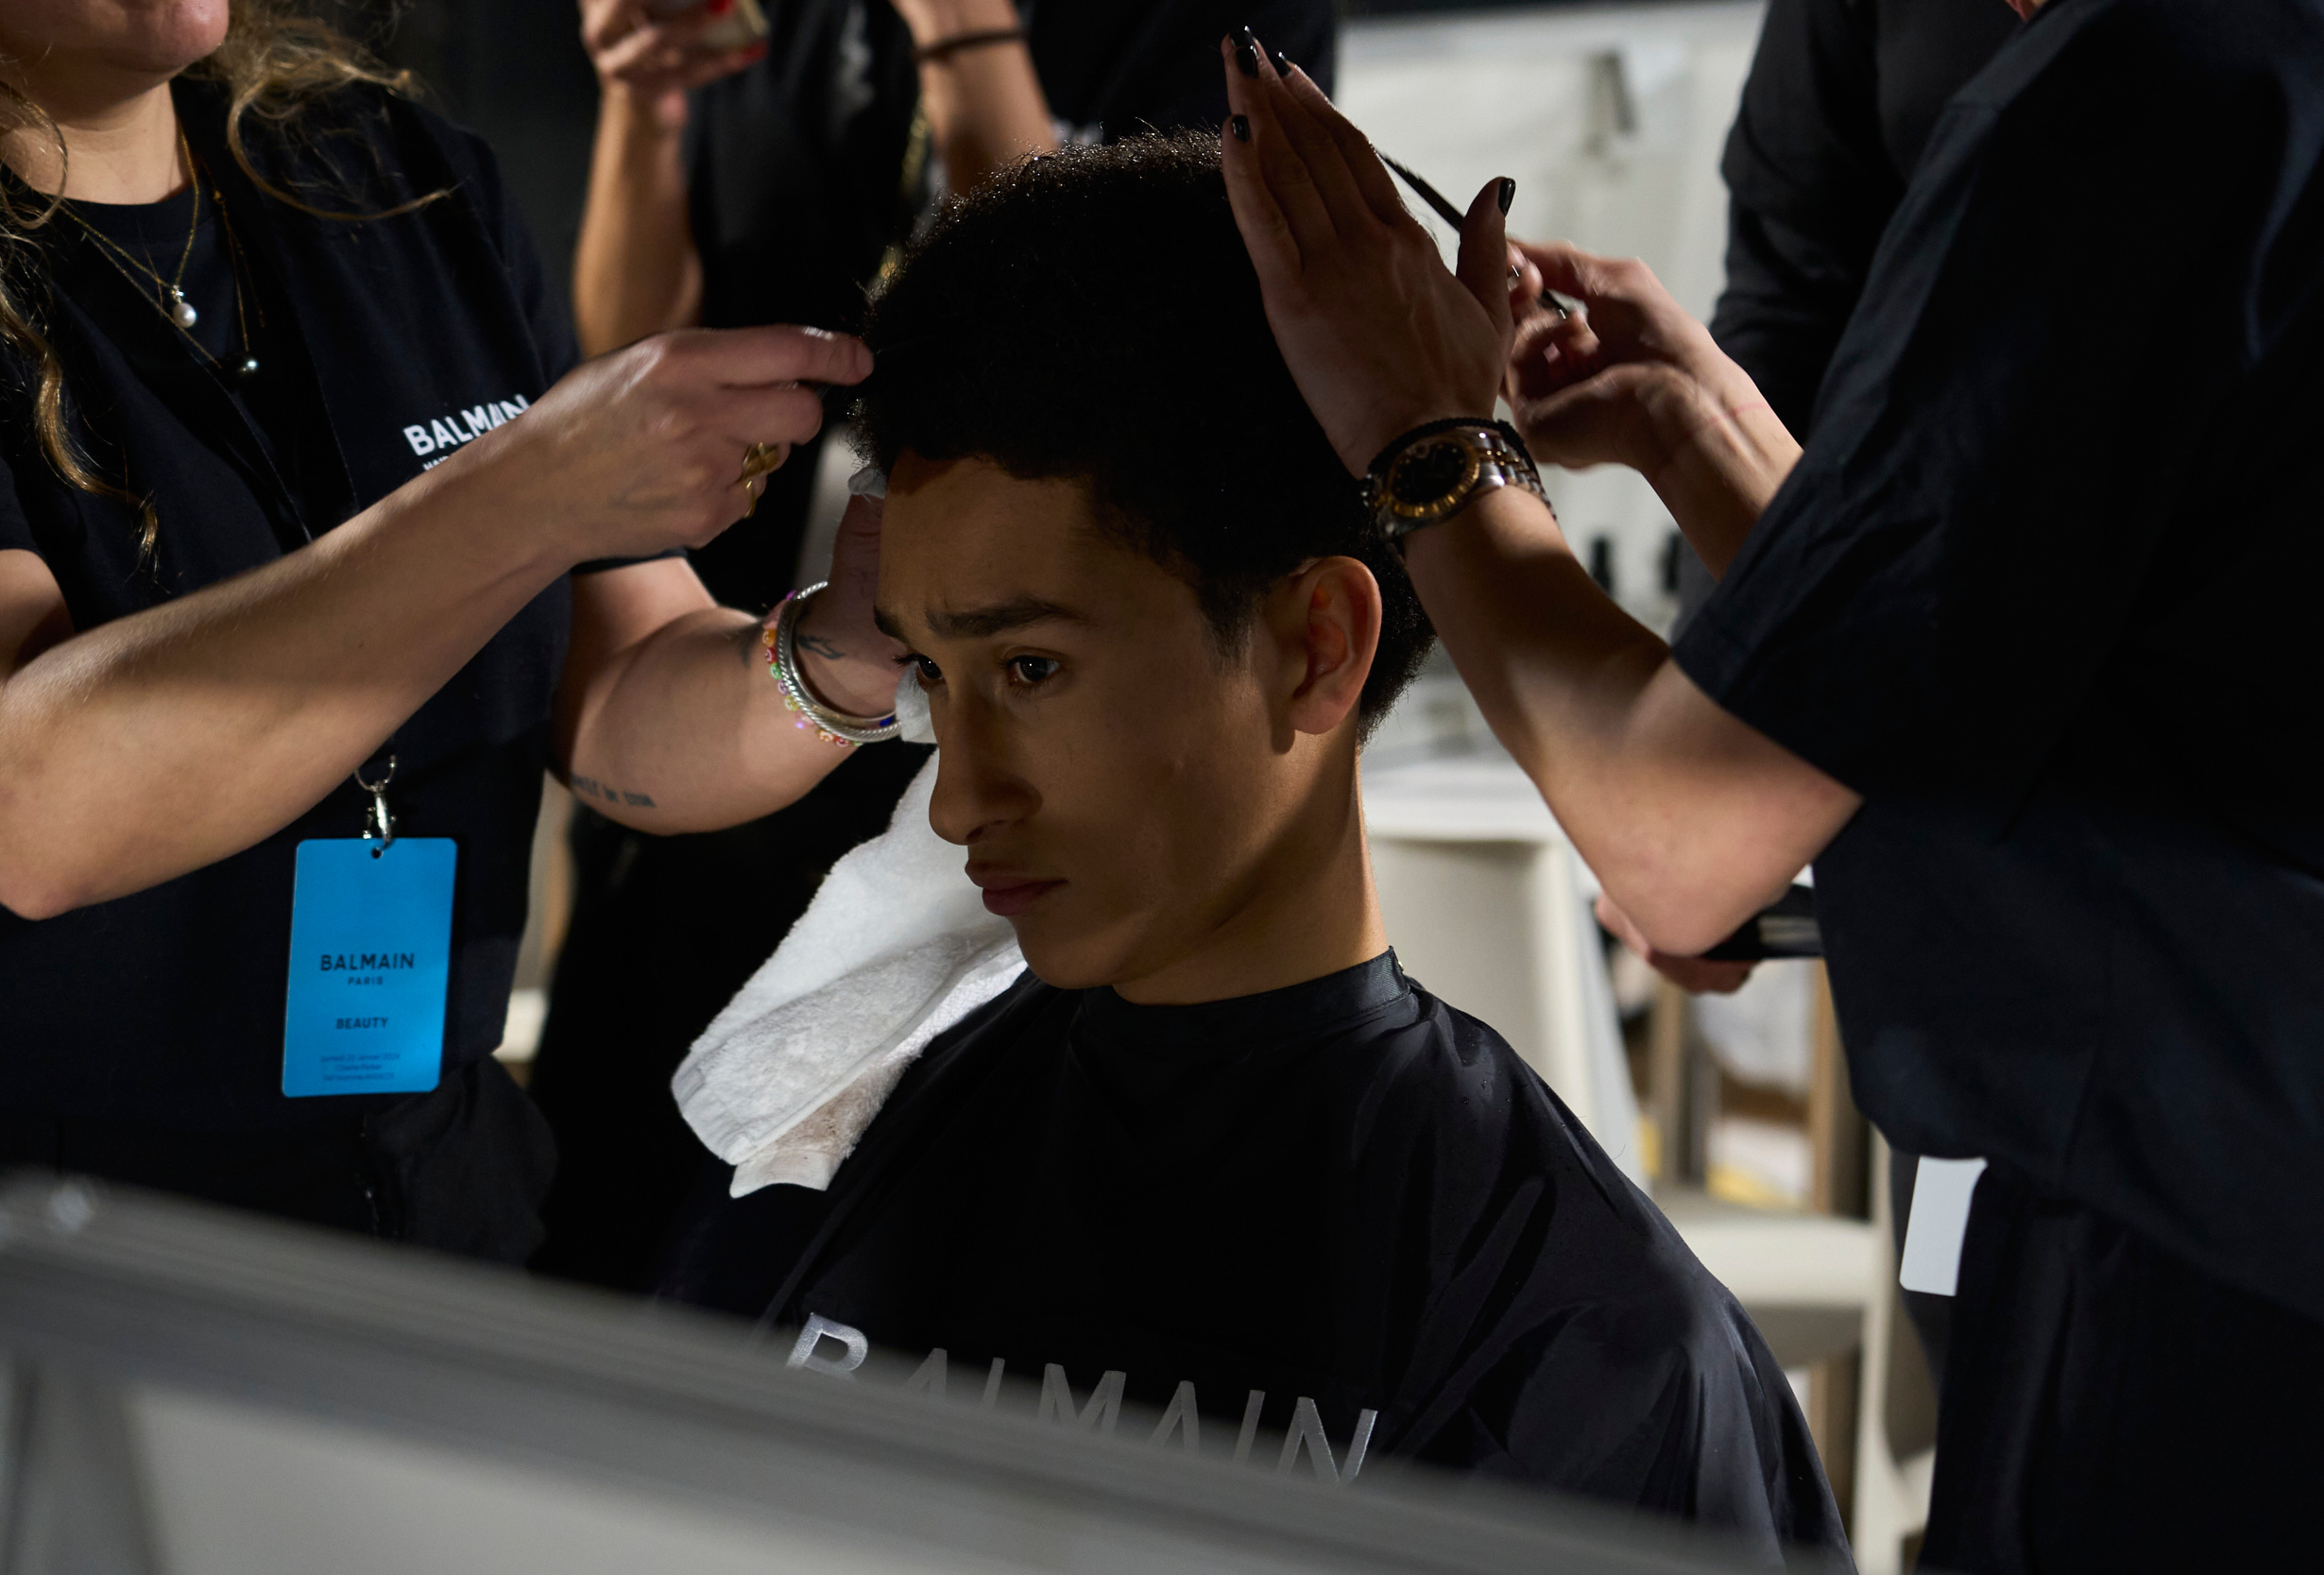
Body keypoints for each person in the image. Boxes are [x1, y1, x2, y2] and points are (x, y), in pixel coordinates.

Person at [1214, 7, 2324, 1568]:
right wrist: (1707, 427)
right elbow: (2081, 675)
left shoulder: (2151, 95)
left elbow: (1678, 835)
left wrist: (1425, 428)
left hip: (2209, 1300)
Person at [661, 132, 1850, 1561]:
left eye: (1031, 671)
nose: (962, 797)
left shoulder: (1578, 1336)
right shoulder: (836, 1147)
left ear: (1316, 647)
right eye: (933, 677)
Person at [0, 0, 904, 1259]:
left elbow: (624, 687)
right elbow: (26, 808)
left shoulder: (390, 175)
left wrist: (847, 646)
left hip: (435, 1186)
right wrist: (524, 495)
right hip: (50, 1240)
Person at [534, 0, 1338, 1293]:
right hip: (727, 703)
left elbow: (1089, 360)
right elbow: (633, 370)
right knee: (623, 1238)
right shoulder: (795, 24)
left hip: (1027, 765)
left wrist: (964, 35)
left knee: (948, 1271)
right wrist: (646, 115)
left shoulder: (1218, 26)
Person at [1693, 0, 2023, 1384]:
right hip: (1966, 846)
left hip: (2160, 839)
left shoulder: (2169, 85)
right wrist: (1720, 732)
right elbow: (1786, 293)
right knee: (1989, 1344)